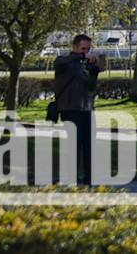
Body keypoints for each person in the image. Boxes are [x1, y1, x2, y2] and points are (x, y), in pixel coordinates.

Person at [52, 34, 104, 185]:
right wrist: (80, 57)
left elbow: (90, 87)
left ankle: (88, 180)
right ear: (74, 48)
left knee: (89, 145)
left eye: (88, 49)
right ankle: (72, 180)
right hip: (70, 108)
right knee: (74, 145)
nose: (86, 52)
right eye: (83, 49)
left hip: (86, 109)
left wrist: (94, 72)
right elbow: (60, 63)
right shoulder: (65, 62)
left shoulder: (84, 65)